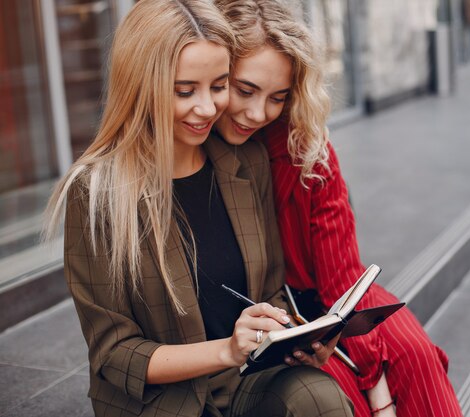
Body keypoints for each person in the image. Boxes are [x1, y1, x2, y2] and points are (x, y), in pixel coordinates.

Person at [43, 1, 354, 416]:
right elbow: (114, 354)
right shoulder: (97, 192)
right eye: (185, 91)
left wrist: (293, 336)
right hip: (163, 400)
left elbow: (270, 292)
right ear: (142, 85)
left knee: (320, 398)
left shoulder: (247, 163)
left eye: (219, 85)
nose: (207, 108)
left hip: (247, 379)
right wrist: (226, 350)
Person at [212, 1, 464, 416]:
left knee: (417, 358)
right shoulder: (198, 156)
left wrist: (375, 380)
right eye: (245, 90)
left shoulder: (307, 149)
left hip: (338, 303)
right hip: (275, 321)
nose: (258, 113)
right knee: (342, 399)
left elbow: (341, 275)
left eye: (278, 97)